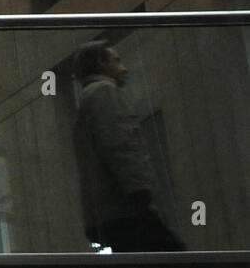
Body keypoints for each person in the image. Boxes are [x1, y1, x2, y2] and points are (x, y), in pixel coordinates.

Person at [73, 42, 184, 252]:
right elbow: (120, 146)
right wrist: (140, 193)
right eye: (117, 61)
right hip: (126, 209)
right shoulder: (104, 91)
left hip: (111, 213)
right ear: (101, 63)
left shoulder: (87, 98)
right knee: (176, 265)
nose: (124, 68)